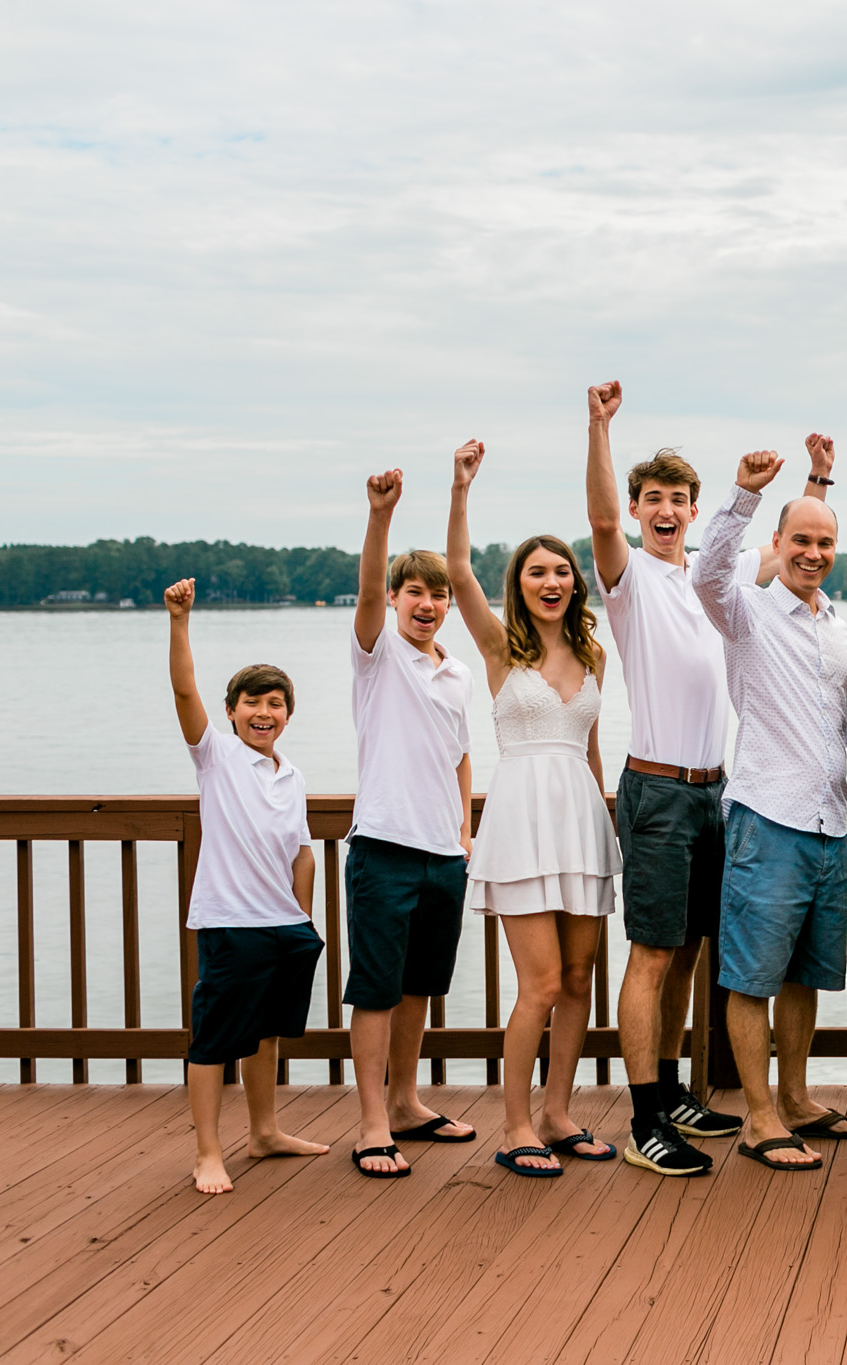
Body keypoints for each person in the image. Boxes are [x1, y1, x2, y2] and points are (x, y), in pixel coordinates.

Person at [584, 381, 836, 1177]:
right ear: (637, 508)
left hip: (715, 792)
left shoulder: (708, 577)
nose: (665, 509)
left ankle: (679, 1088)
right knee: (652, 956)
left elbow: (798, 545)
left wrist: (817, 479)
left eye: (677, 499)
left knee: (690, 950)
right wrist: (598, 426)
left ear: (694, 512)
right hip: (657, 787)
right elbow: (596, 520)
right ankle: (647, 1118)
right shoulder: (627, 580)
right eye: (652, 498)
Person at [692, 447, 847, 1172]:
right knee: (750, 975)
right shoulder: (743, 611)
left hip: (831, 829)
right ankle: (760, 1114)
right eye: (799, 540)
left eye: (824, 542)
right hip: (766, 823)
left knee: (806, 975)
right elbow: (708, 570)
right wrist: (742, 495)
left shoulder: (837, 626)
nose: (812, 552)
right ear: (776, 544)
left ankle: (797, 1098)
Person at [448, 440, 622, 1177]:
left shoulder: (594, 652)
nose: (550, 581)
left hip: (580, 821)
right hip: (521, 823)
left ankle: (556, 1112)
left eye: (561, 571)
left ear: (575, 583)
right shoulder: (498, 646)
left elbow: (587, 749)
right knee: (541, 984)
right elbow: (456, 571)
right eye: (536, 571)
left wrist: (609, 822)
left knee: (581, 980)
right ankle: (514, 1122)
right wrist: (460, 489)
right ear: (518, 583)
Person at [164, 578, 330, 1194]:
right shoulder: (218, 757)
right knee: (214, 1038)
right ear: (232, 711)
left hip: (284, 925)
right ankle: (208, 1152)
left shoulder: (292, 775)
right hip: (231, 922)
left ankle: (264, 1133)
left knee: (266, 1033)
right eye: (252, 703)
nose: (264, 713)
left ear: (288, 713)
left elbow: (303, 853)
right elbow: (184, 689)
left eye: (275, 704)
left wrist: (304, 915)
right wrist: (181, 622)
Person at [344, 470, 477, 1178]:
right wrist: (380, 516)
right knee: (375, 989)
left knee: (420, 986)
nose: (426, 603)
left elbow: (460, 753)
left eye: (438, 593)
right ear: (396, 599)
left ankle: (405, 1102)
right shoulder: (377, 653)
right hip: (384, 847)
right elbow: (366, 587)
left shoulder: (456, 673)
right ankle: (370, 1123)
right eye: (415, 592)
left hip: (440, 854)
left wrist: (461, 832)